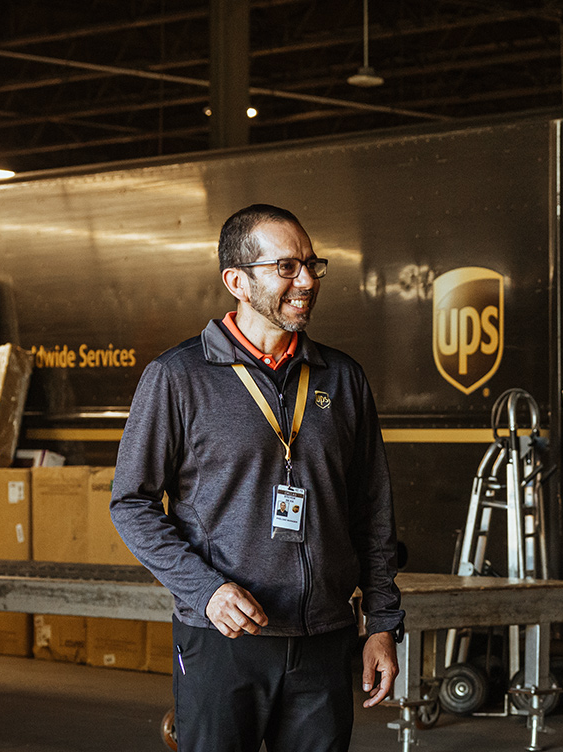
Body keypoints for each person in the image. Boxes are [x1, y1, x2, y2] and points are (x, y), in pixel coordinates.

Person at [111, 204, 403, 752]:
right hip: (225, 638)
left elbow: (374, 510)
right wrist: (206, 592)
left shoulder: (342, 377)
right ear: (237, 282)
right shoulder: (177, 378)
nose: (307, 281)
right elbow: (131, 503)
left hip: (326, 639)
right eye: (287, 268)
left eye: (313, 265)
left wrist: (382, 623)